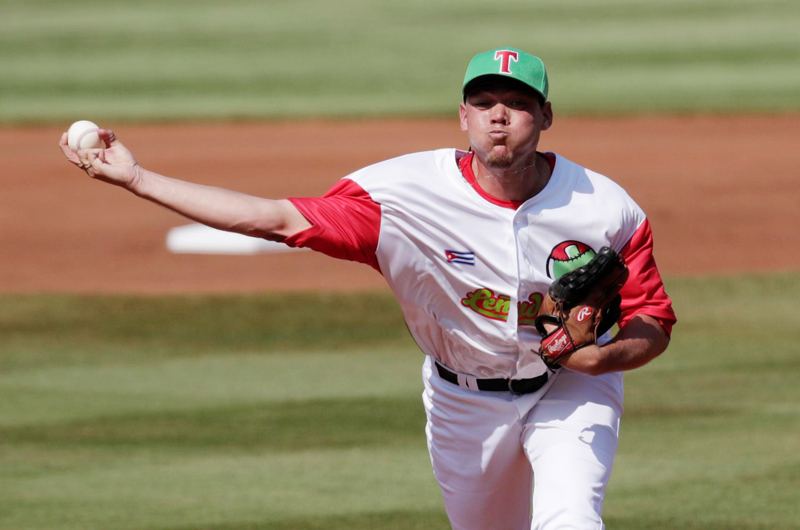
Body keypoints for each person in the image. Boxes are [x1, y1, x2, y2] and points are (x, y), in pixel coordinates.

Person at [60, 47, 676, 530]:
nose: (498, 115)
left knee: (571, 518)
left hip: (569, 389)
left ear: (544, 115)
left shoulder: (605, 207)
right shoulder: (400, 196)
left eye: (516, 103)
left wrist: (602, 357)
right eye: (483, 101)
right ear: (462, 116)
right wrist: (138, 179)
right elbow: (274, 218)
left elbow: (653, 319)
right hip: (465, 400)